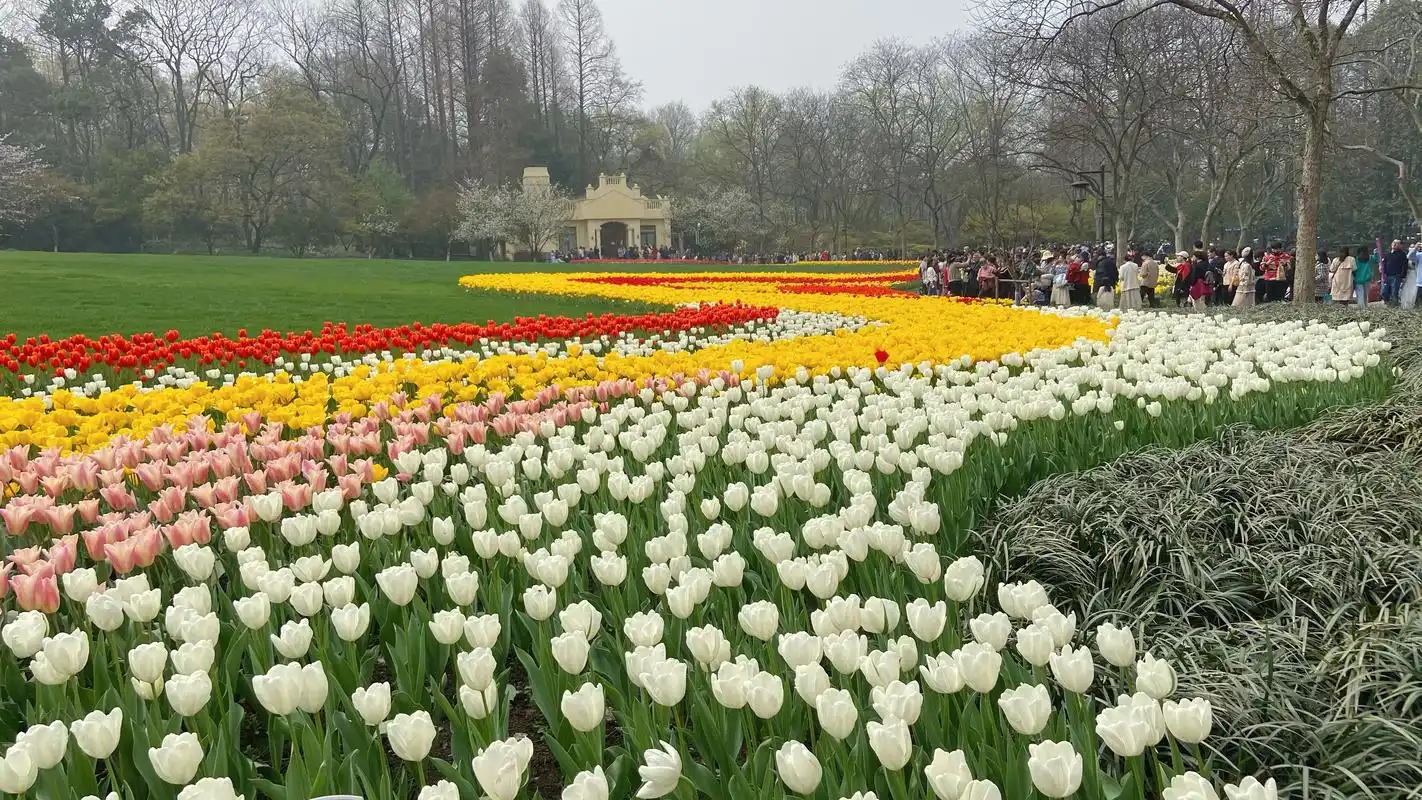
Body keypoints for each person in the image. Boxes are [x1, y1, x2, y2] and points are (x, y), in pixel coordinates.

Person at [1382, 239, 1408, 306]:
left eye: (1397, 243)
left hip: (1396, 276)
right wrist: (1383, 272)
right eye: (1393, 242)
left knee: (1394, 292)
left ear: (1400, 245)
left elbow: (1405, 266)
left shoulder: (1402, 254)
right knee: (1384, 292)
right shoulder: (1388, 254)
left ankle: (1394, 306)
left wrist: (1403, 276)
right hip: (1387, 276)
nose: (1394, 244)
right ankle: (1387, 304)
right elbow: (1384, 264)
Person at [1405, 241, 1422, 310]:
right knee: (1418, 303)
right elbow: (1409, 256)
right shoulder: (1420, 255)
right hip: (1420, 283)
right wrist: (1415, 248)